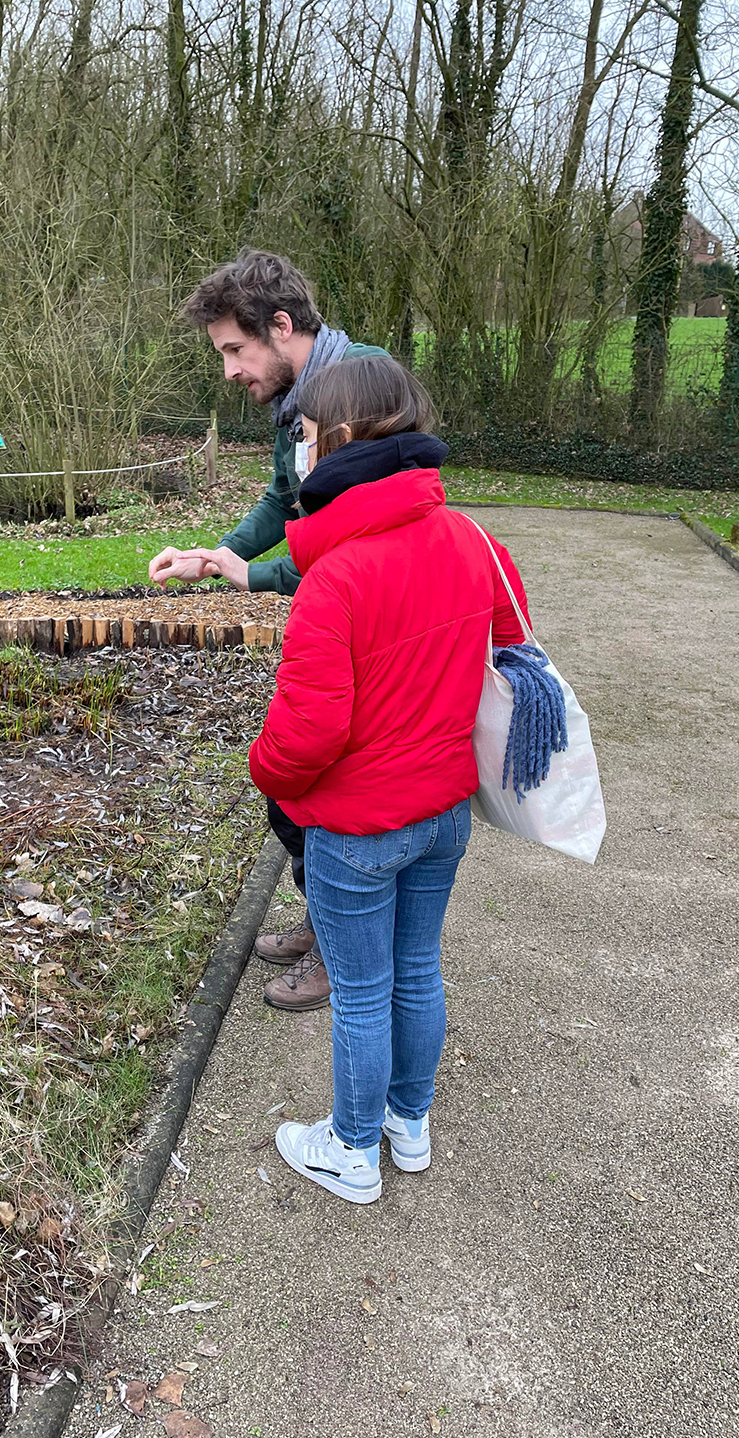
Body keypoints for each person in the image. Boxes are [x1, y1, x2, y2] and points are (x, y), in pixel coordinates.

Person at [247, 356, 531, 1204]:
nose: (296, 453)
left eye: (300, 436)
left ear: (335, 439)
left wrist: (263, 771)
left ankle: (351, 1150)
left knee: (364, 993)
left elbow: (307, 736)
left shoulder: (334, 578)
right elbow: (512, 649)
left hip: (359, 831)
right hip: (445, 813)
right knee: (417, 972)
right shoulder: (474, 542)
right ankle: (410, 1126)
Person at [148, 249, 390, 1011]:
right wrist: (218, 554)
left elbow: (353, 543)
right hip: (329, 627)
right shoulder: (299, 404)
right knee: (292, 801)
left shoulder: (362, 392)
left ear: (279, 328)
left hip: (370, 636)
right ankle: (327, 923)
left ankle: (346, 952)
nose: (227, 372)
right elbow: (285, 498)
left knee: (333, 799)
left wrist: (259, 578)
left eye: (233, 350)